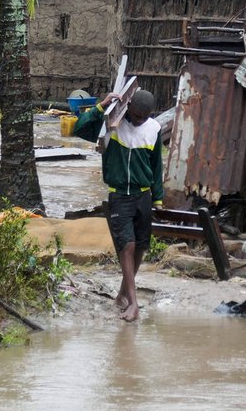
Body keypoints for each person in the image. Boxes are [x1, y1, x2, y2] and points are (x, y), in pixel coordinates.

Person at [74, 89, 163, 322]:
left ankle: (123, 294)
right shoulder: (111, 124)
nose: (138, 120)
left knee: (141, 246)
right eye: (135, 115)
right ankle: (133, 303)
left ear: (150, 115)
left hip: (143, 195)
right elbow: (79, 128)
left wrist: (158, 198)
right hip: (120, 195)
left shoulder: (154, 129)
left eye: (143, 117)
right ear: (128, 107)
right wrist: (101, 106)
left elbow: (156, 166)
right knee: (127, 245)